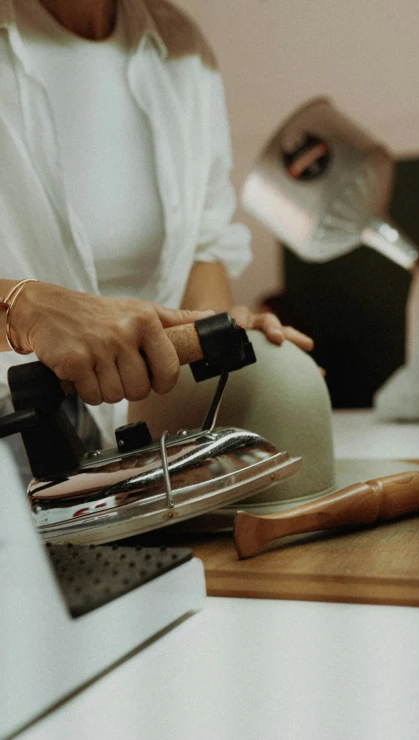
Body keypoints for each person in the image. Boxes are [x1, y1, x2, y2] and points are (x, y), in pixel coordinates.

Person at [0, 0, 314, 450]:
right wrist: (21, 309)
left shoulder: (180, 46)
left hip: (149, 450)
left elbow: (201, 249)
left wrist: (221, 335)